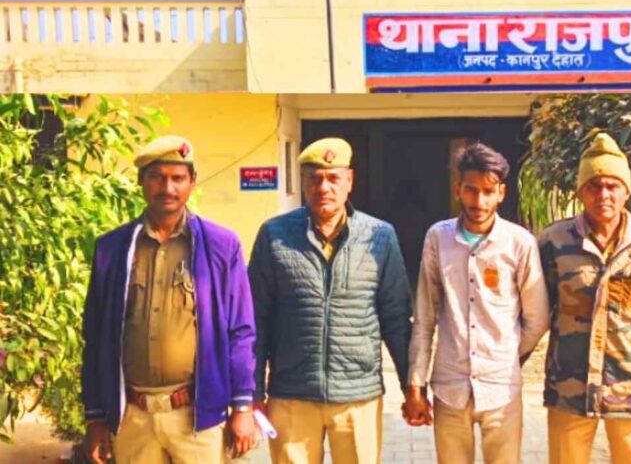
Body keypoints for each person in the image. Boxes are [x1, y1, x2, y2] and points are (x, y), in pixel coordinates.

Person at [81, 135, 257, 464]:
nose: (168, 188)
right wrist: (95, 418)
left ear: (192, 182)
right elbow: (95, 337)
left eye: (178, 178)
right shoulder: (112, 249)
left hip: (198, 417)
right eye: (157, 177)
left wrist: (242, 407)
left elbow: (240, 331)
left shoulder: (221, 246)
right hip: (133, 418)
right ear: (141, 181)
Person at [248, 137, 412, 464]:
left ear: (349, 181)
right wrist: (252, 393)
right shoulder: (274, 235)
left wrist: (412, 390)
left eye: (334, 178)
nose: (324, 187)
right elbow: (257, 319)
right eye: (315, 178)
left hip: (358, 397)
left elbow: (396, 319)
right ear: (303, 183)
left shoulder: (380, 236)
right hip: (291, 395)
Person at [404, 142, 550, 464]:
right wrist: (416, 384)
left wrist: (505, 356)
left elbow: (537, 318)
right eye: (471, 190)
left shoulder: (519, 243)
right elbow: (425, 318)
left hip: (502, 392)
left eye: (488, 191)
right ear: (458, 189)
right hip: (449, 388)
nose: (479, 201)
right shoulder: (438, 238)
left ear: (501, 193)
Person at [538, 133, 631, 464]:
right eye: (594, 186)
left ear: (627, 191)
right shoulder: (555, 241)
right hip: (570, 388)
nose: (603, 194)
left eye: (613, 186)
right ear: (581, 192)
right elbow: (534, 312)